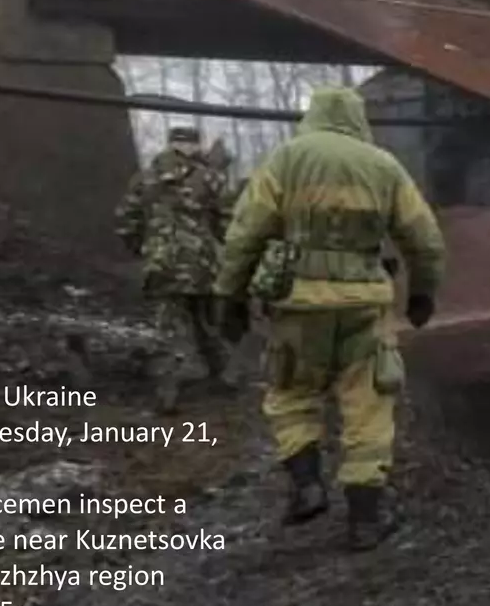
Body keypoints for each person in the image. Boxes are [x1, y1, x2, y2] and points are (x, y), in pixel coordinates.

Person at [215, 87, 446, 551]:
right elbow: (425, 239)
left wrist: (230, 298)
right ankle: (365, 520)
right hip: (364, 308)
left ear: (313, 116)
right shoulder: (384, 165)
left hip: (296, 306)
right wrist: (422, 293)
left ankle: (307, 486)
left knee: (291, 392)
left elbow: (244, 234)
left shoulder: (285, 160)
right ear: (358, 118)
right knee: (368, 406)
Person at [115, 124, 232, 413]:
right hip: (202, 265)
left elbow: (125, 221)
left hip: (162, 264)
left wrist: (144, 248)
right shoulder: (209, 179)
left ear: (170, 144)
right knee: (207, 322)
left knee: (169, 330)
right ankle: (224, 377)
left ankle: (167, 393)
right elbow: (227, 222)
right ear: (193, 145)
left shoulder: (145, 178)